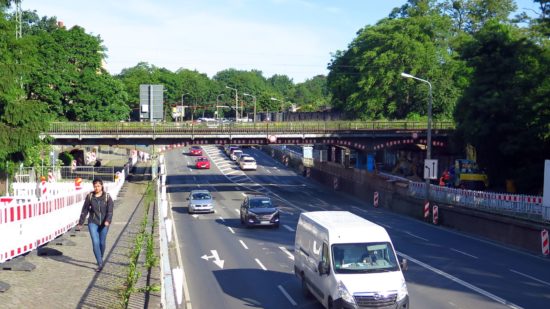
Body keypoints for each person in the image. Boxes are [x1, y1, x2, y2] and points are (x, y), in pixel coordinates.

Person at [77, 179, 114, 272]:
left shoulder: (107, 197)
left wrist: (108, 221)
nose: (96, 188)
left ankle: (100, 257)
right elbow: (85, 209)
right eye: (95, 186)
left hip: (104, 223)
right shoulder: (90, 196)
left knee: (102, 243)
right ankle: (100, 263)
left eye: (98, 186)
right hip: (92, 222)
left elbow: (110, 211)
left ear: (102, 186)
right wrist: (81, 222)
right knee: (95, 242)